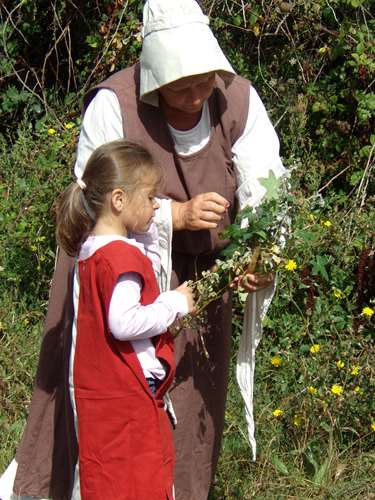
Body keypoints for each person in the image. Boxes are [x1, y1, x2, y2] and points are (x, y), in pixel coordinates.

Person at [2, 0, 286, 499]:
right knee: (109, 407)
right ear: (155, 79)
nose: (197, 94)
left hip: (199, 281)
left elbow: (269, 186)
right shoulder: (116, 103)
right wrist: (174, 216)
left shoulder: (237, 100)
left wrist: (260, 251)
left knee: (192, 408)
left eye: (205, 81)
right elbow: (94, 200)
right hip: (113, 272)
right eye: (181, 86)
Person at [59, 139, 195, 499]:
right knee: (140, 479)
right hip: (127, 394)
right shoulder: (121, 256)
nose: (155, 206)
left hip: (103, 392)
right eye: (150, 197)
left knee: (109, 480)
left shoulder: (92, 251)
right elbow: (124, 322)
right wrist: (174, 305)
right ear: (119, 201)